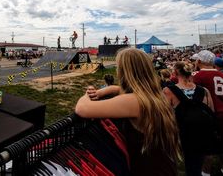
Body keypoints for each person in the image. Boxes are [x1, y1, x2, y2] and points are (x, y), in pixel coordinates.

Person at [75, 48, 180, 176]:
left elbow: (82, 109)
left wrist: (88, 93)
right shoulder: (153, 96)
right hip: (164, 168)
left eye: (119, 67)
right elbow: (118, 89)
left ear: (125, 72)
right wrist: (102, 92)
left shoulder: (133, 101)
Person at [163, 61, 214, 176]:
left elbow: (165, 116)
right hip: (201, 132)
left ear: (175, 73)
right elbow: (211, 112)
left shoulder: (168, 91)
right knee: (196, 164)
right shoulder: (204, 91)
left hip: (181, 133)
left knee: (182, 163)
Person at [192, 50, 223, 176]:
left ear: (199, 61)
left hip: (209, 116)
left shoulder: (197, 77)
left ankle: (205, 173)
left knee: (207, 151)